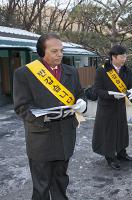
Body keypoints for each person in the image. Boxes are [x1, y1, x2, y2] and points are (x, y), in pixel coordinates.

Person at [13, 33, 87, 199]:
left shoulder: (71, 71)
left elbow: (80, 93)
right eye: (54, 51)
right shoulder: (24, 73)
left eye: (61, 50)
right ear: (42, 52)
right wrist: (44, 116)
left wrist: (82, 102)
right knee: (41, 185)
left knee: (61, 180)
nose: (60, 54)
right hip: (41, 138)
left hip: (65, 136)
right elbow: (21, 107)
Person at [92, 45, 132, 170]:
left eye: (125, 56)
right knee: (108, 133)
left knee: (121, 131)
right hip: (106, 108)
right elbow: (97, 90)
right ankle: (110, 157)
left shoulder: (126, 70)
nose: (124, 59)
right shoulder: (102, 70)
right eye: (122, 57)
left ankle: (122, 153)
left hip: (120, 107)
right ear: (114, 57)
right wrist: (111, 95)